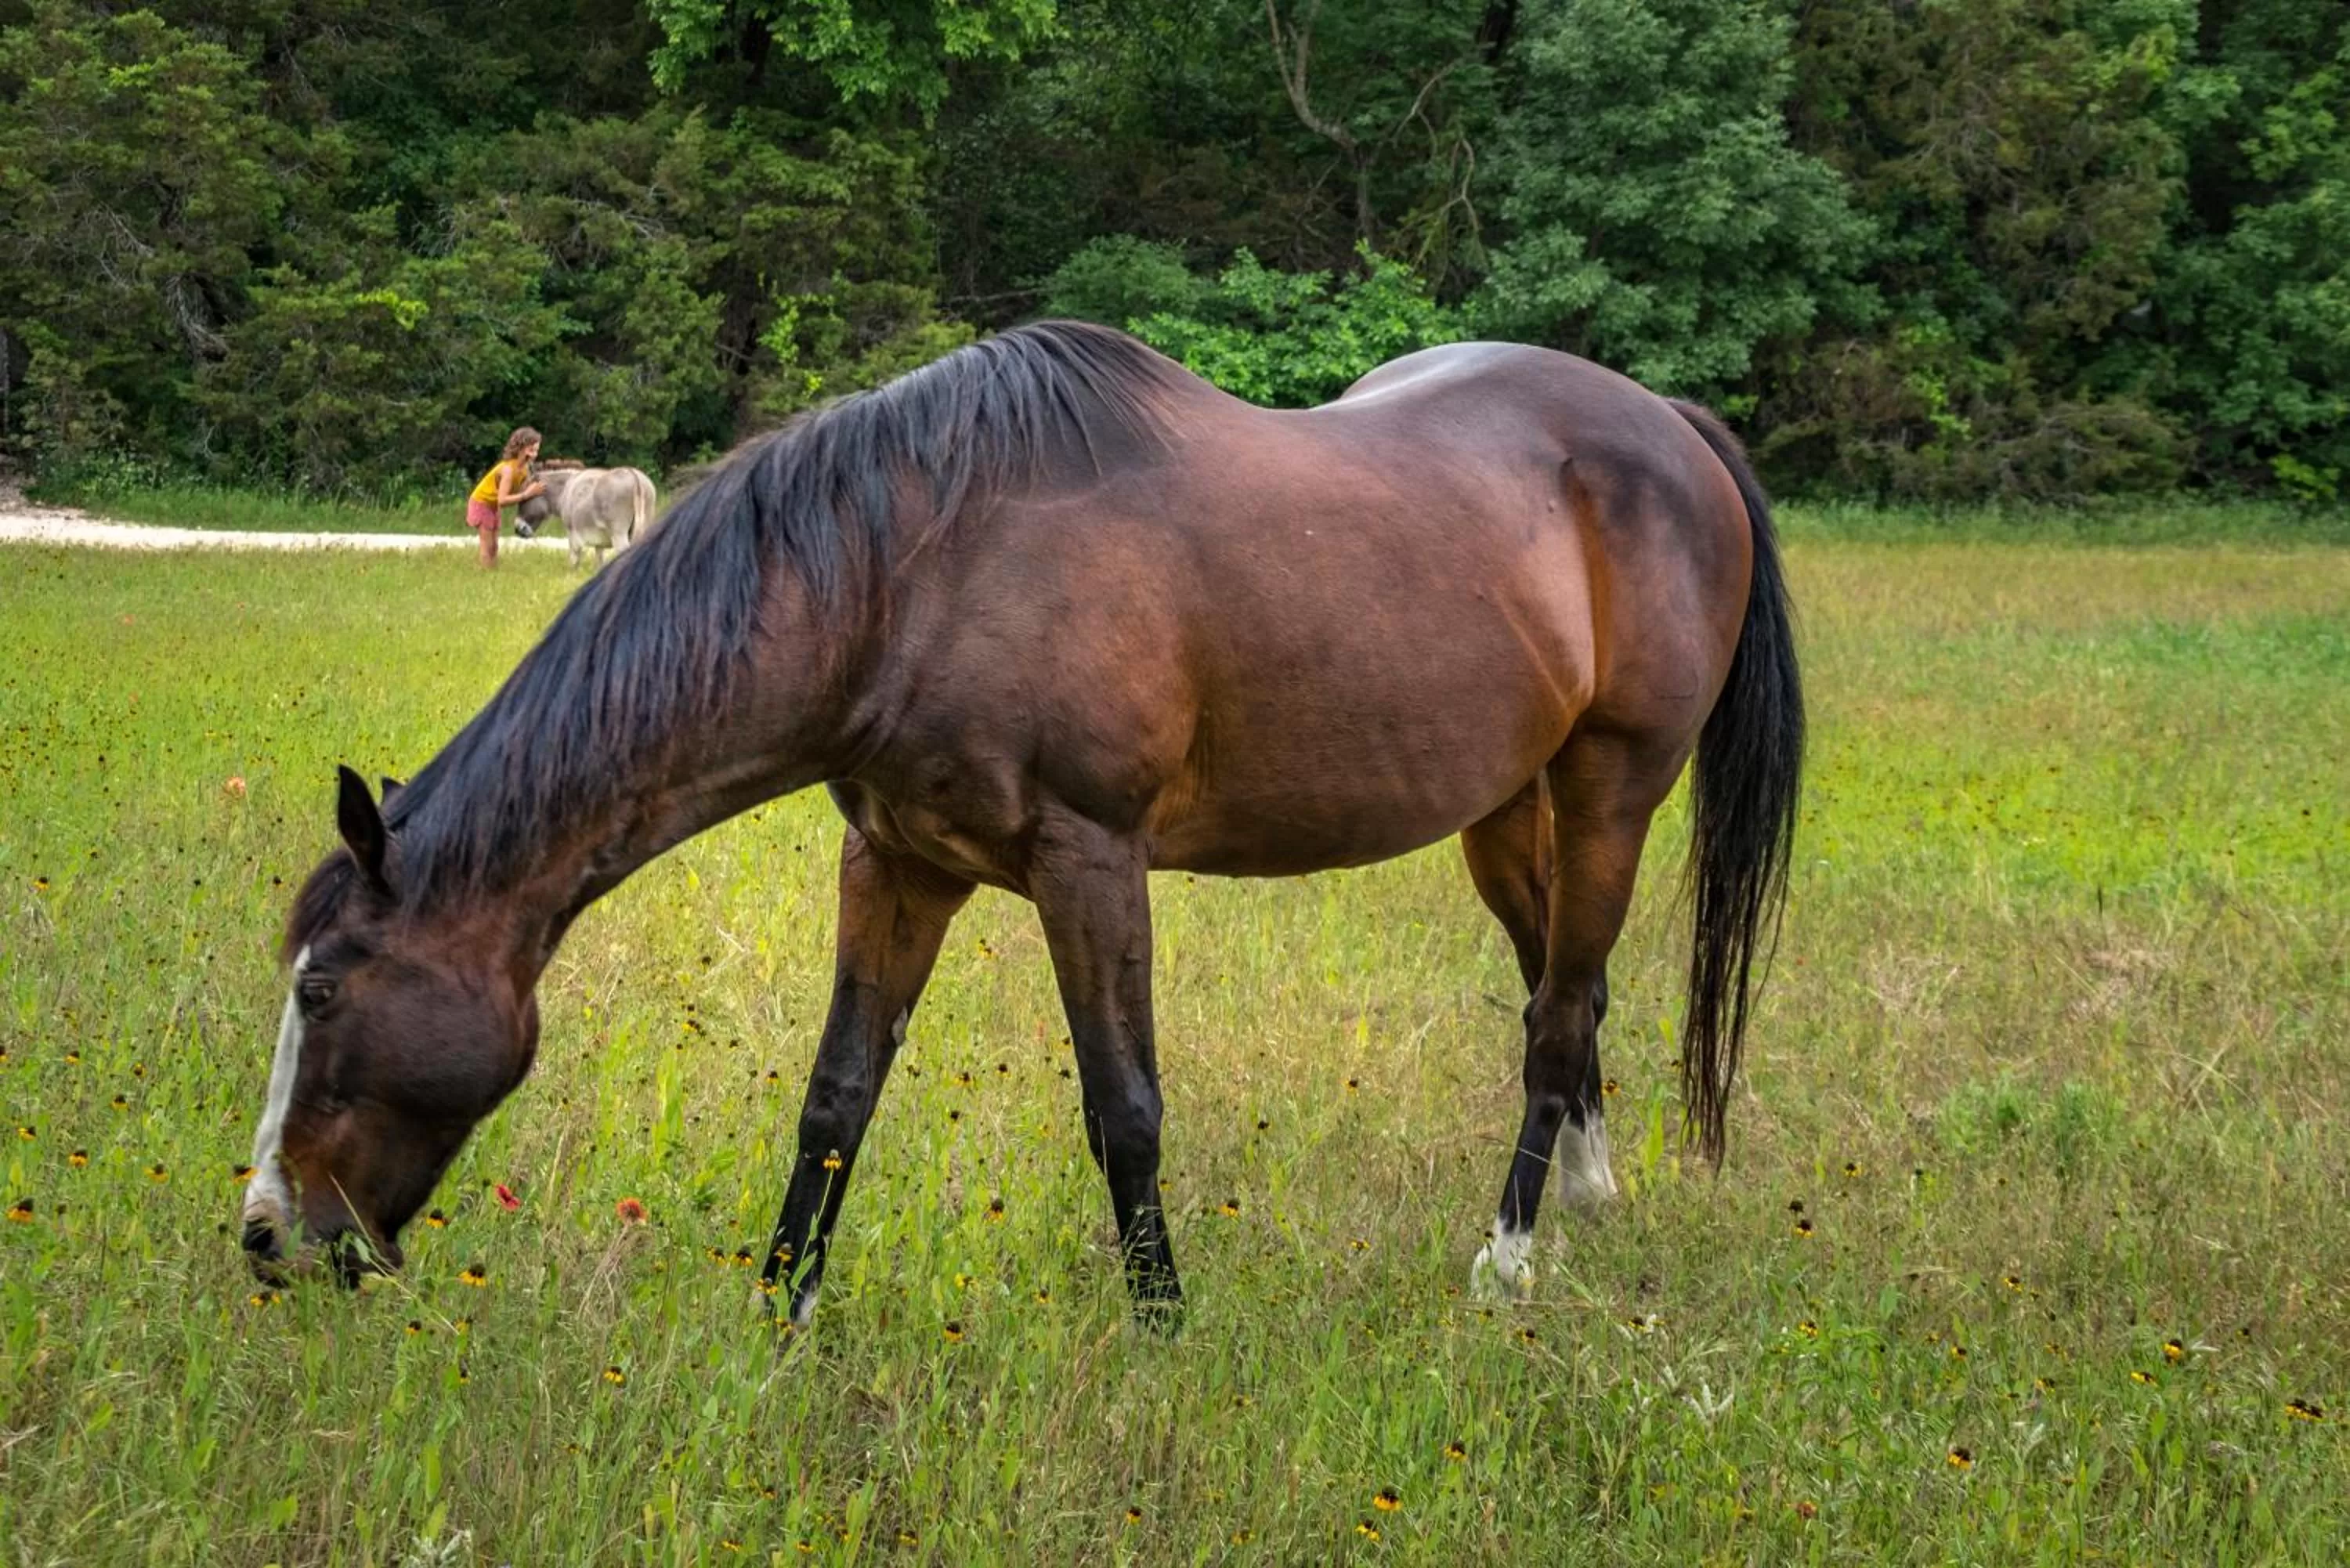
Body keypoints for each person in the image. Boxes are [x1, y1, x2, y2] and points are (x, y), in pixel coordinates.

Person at [465, 428, 545, 569]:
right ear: (521, 447)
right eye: (531, 449)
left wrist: (530, 487)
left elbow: (517, 490)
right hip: (482, 503)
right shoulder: (508, 470)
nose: (535, 454)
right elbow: (502, 500)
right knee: (487, 546)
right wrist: (527, 494)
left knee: (494, 546)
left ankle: (492, 571)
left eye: (536, 450)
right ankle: (485, 573)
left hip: (493, 506)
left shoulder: (525, 469)